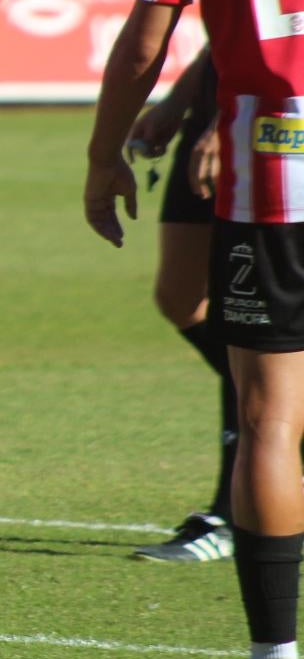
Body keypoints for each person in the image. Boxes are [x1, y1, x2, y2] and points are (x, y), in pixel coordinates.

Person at [86, 0, 304, 659]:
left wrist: (103, 152)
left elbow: (144, 37)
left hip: (275, 165)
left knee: (270, 418)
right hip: (251, 144)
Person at [126, 50, 241, 562]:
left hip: (267, 122)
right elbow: (231, 23)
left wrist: (227, 120)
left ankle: (235, 514)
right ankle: (285, 413)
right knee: (181, 297)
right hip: (212, 113)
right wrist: (178, 100)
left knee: (248, 323)